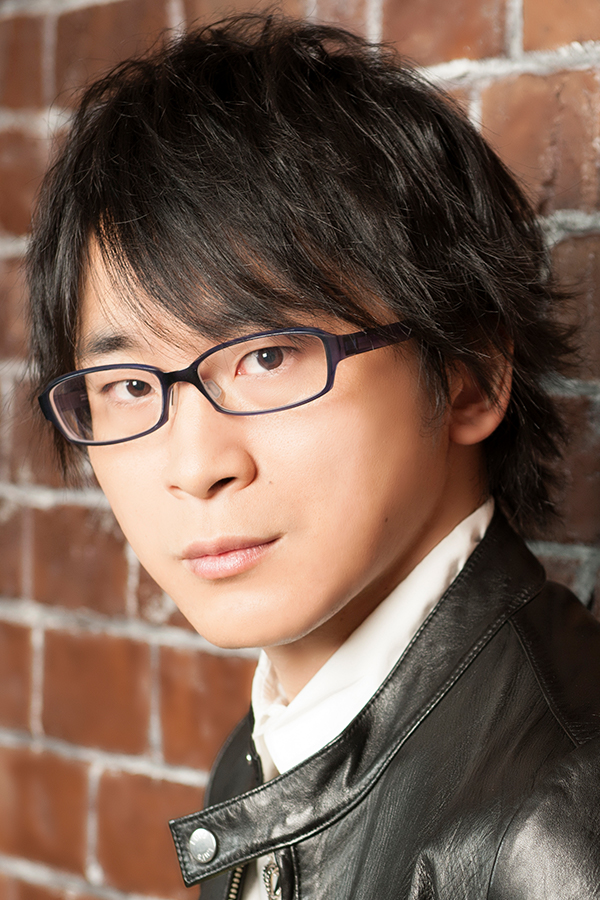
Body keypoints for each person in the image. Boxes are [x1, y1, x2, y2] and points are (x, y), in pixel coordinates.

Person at [28, 14, 600, 900]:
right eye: (132, 385)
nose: (196, 466)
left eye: (267, 357)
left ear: (470, 375)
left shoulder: (553, 828)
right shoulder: (266, 754)